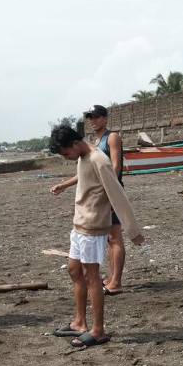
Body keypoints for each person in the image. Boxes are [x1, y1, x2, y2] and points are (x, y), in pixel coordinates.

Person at [49, 124, 145, 348]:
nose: (66, 158)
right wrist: (64, 185)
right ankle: (80, 322)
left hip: (93, 227)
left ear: (75, 144)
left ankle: (98, 330)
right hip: (79, 224)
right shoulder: (82, 157)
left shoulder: (99, 160)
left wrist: (133, 231)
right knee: (74, 270)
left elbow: (118, 194)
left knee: (92, 276)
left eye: (65, 153)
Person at [67, 104, 127, 294]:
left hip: (111, 192)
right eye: (90, 117)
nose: (92, 121)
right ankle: (111, 277)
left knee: (116, 237)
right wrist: (64, 185)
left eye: (95, 117)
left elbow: (114, 168)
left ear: (105, 118)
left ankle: (116, 282)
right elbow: (89, 172)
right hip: (101, 195)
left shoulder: (112, 137)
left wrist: (110, 194)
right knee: (110, 238)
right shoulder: (96, 140)